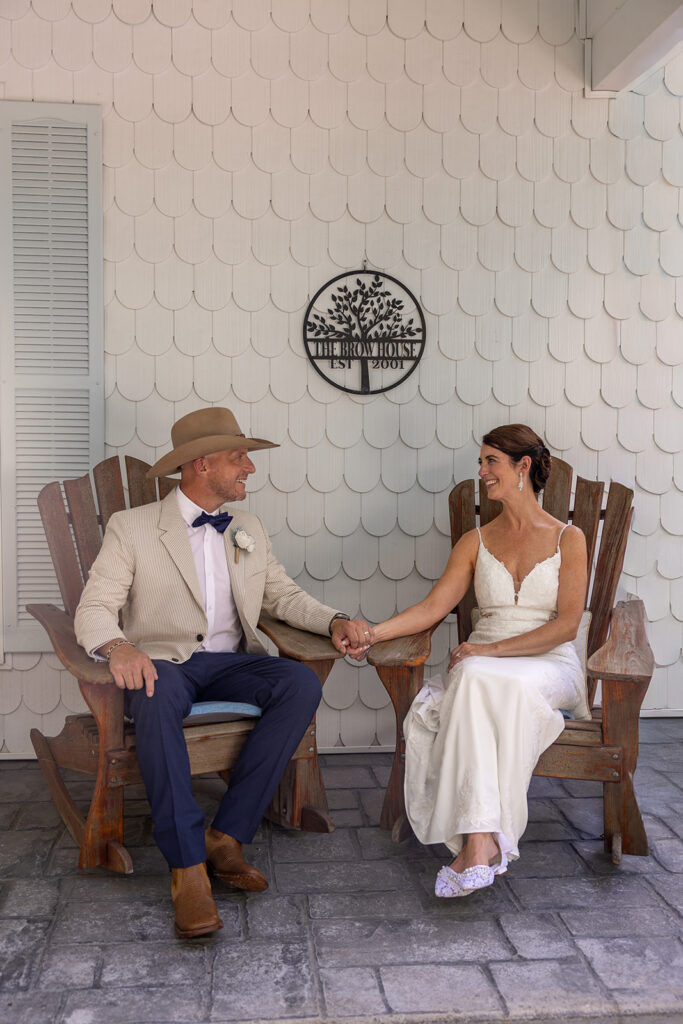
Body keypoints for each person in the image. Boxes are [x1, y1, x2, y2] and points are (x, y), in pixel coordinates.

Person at [75, 406, 369, 937]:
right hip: (165, 664)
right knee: (157, 695)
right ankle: (187, 868)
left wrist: (335, 620)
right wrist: (117, 645)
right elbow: (94, 607)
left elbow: (279, 595)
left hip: (233, 662)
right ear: (201, 464)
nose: (249, 469)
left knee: (298, 682)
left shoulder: (247, 526)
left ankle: (227, 835)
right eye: (240, 458)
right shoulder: (134, 527)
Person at [358, 425, 591, 898]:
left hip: (549, 663)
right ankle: (480, 841)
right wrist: (371, 634)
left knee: (473, 675)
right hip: (485, 667)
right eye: (481, 463)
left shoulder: (570, 539)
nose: (481, 472)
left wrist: (488, 650)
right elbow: (431, 608)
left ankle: (476, 842)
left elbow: (567, 625)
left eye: (491, 462)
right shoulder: (475, 541)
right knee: (473, 679)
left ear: (522, 467)